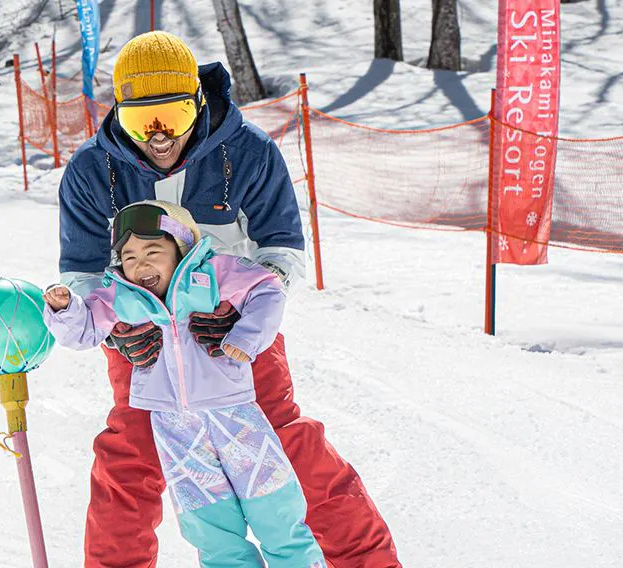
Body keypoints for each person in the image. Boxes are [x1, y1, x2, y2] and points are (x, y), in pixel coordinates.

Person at [57, 31, 400, 567]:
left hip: (234, 334)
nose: (158, 136)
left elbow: (282, 249)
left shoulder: (247, 153)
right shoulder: (91, 171)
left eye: (170, 115)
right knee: (130, 457)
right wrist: (116, 330)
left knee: (287, 447)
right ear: (118, 114)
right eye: (138, 121)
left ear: (197, 99)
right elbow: (80, 272)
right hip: (143, 337)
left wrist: (242, 316)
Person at [45, 201, 324, 568]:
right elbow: (83, 331)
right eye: (129, 257)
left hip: (234, 415)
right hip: (176, 428)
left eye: (152, 252)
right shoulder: (120, 295)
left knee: (276, 514)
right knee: (211, 530)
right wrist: (65, 309)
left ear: (180, 248)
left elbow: (268, 289)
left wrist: (246, 336)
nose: (140, 265)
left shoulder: (213, 273)